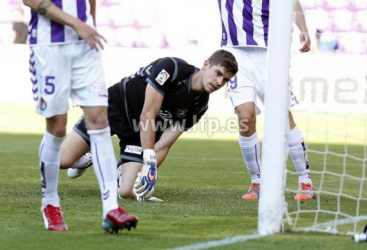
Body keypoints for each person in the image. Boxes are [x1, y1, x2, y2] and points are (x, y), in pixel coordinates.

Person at [59, 50, 238, 201]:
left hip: (139, 133)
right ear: (206, 64)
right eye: (218, 73)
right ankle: (85, 159)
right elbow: (148, 114)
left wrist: (149, 171)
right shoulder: (171, 68)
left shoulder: (200, 105)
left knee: (127, 192)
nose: (219, 82)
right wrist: (149, 157)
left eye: (226, 80)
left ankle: (122, 169)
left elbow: (165, 143)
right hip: (114, 107)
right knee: (61, 161)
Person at [23, 0, 137, 233]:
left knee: (100, 121)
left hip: (85, 46)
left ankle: (111, 209)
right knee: (57, 128)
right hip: (49, 46)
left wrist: (89, 24)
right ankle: (51, 203)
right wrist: (77, 23)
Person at [218, 0, 315, 201]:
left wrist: (303, 29)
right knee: (245, 117)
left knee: (282, 118)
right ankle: (257, 182)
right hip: (234, 53)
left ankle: (305, 181)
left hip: (269, 53)